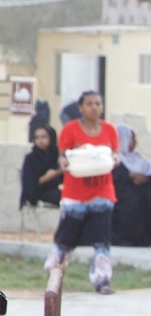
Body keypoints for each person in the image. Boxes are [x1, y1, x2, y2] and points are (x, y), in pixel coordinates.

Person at [50, 90, 122, 294]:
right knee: (65, 239)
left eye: (98, 103)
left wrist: (115, 159)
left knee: (102, 239)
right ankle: (54, 279)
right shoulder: (70, 130)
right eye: (89, 104)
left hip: (103, 191)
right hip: (75, 194)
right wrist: (64, 162)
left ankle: (102, 280)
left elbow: (114, 154)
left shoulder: (109, 130)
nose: (94, 107)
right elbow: (62, 157)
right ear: (80, 108)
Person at [111, 127, 151, 247]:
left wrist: (145, 179)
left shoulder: (137, 157)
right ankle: (126, 238)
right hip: (121, 191)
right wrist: (130, 176)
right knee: (133, 199)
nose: (135, 142)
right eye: (132, 139)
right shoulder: (113, 157)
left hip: (143, 188)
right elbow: (114, 176)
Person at [20, 125, 62, 214]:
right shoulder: (31, 158)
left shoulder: (58, 156)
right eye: (37, 137)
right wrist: (47, 177)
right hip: (38, 193)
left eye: (43, 137)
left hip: (58, 189)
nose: (40, 140)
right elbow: (29, 184)